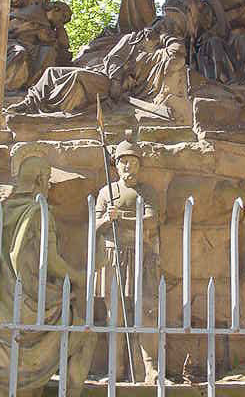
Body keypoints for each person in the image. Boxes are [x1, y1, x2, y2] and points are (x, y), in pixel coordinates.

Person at [0, 144, 96, 397]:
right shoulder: (38, 211)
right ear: (40, 179)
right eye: (48, 179)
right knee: (85, 333)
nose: (49, 186)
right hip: (30, 306)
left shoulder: (2, 210)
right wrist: (80, 277)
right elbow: (50, 261)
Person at [6, 0, 204, 115]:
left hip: (113, 88)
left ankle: (50, 113)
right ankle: (30, 104)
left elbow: (176, 57)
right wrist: (117, 78)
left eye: (165, 25)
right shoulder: (133, 39)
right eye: (159, 23)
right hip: (107, 77)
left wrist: (167, 37)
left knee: (76, 78)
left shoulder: (162, 51)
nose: (158, 27)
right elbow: (113, 58)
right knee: (52, 72)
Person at [95, 137, 160, 384]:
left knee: (146, 311)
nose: (128, 167)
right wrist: (107, 219)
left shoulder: (147, 192)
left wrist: (120, 218)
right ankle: (115, 368)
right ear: (116, 165)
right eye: (123, 162)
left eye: (133, 162)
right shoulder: (106, 192)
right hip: (113, 255)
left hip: (140, 255)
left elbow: (151, 221)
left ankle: (149, 368)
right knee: (115, 314)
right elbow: (96, 225)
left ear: (139, 166)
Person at [193, 0, 245, 86]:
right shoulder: (192, 18)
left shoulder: (213, 4)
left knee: (243, 39)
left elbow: (223, 29)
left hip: (225, 39)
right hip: (208, 48)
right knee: (214, 42)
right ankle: (221, 80)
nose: (206, 18)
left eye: (207, 14)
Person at [5, 1, 72, 91]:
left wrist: (60, 27)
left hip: (33, 48)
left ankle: (30, 87)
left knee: (49, 52)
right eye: (63, 16)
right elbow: (8, 32)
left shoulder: (50, 26)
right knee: (19, 52)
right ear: (55, 9)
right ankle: (9, 86)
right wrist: (33, 30)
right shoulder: (29, 13)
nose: (62, 21)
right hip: (14, 43)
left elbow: (64, 45)